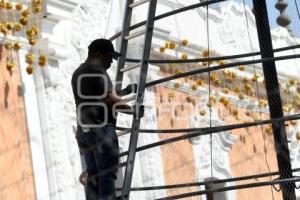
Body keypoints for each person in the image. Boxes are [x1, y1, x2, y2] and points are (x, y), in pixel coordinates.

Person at [71, 38, 144, 200]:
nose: (111, 61)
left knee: (94, 174)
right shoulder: (97, 70)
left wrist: (124, 92)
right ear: (98, 54)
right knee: (107, 172)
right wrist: (134, 110)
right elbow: (110, 99)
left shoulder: (79, 72)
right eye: (109, 57)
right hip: (100, 129)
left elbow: (99, 96)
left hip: (85, 133)